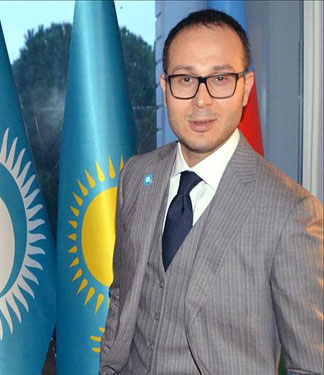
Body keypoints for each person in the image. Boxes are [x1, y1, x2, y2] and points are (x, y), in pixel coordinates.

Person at [99, 9, 323, 375]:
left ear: (246, 87)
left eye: (220, 78)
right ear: (165, 86)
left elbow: (310, 366)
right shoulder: (136, 177)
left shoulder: (292, 212)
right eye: (185, 79)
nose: (201, 100)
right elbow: (122, 295)